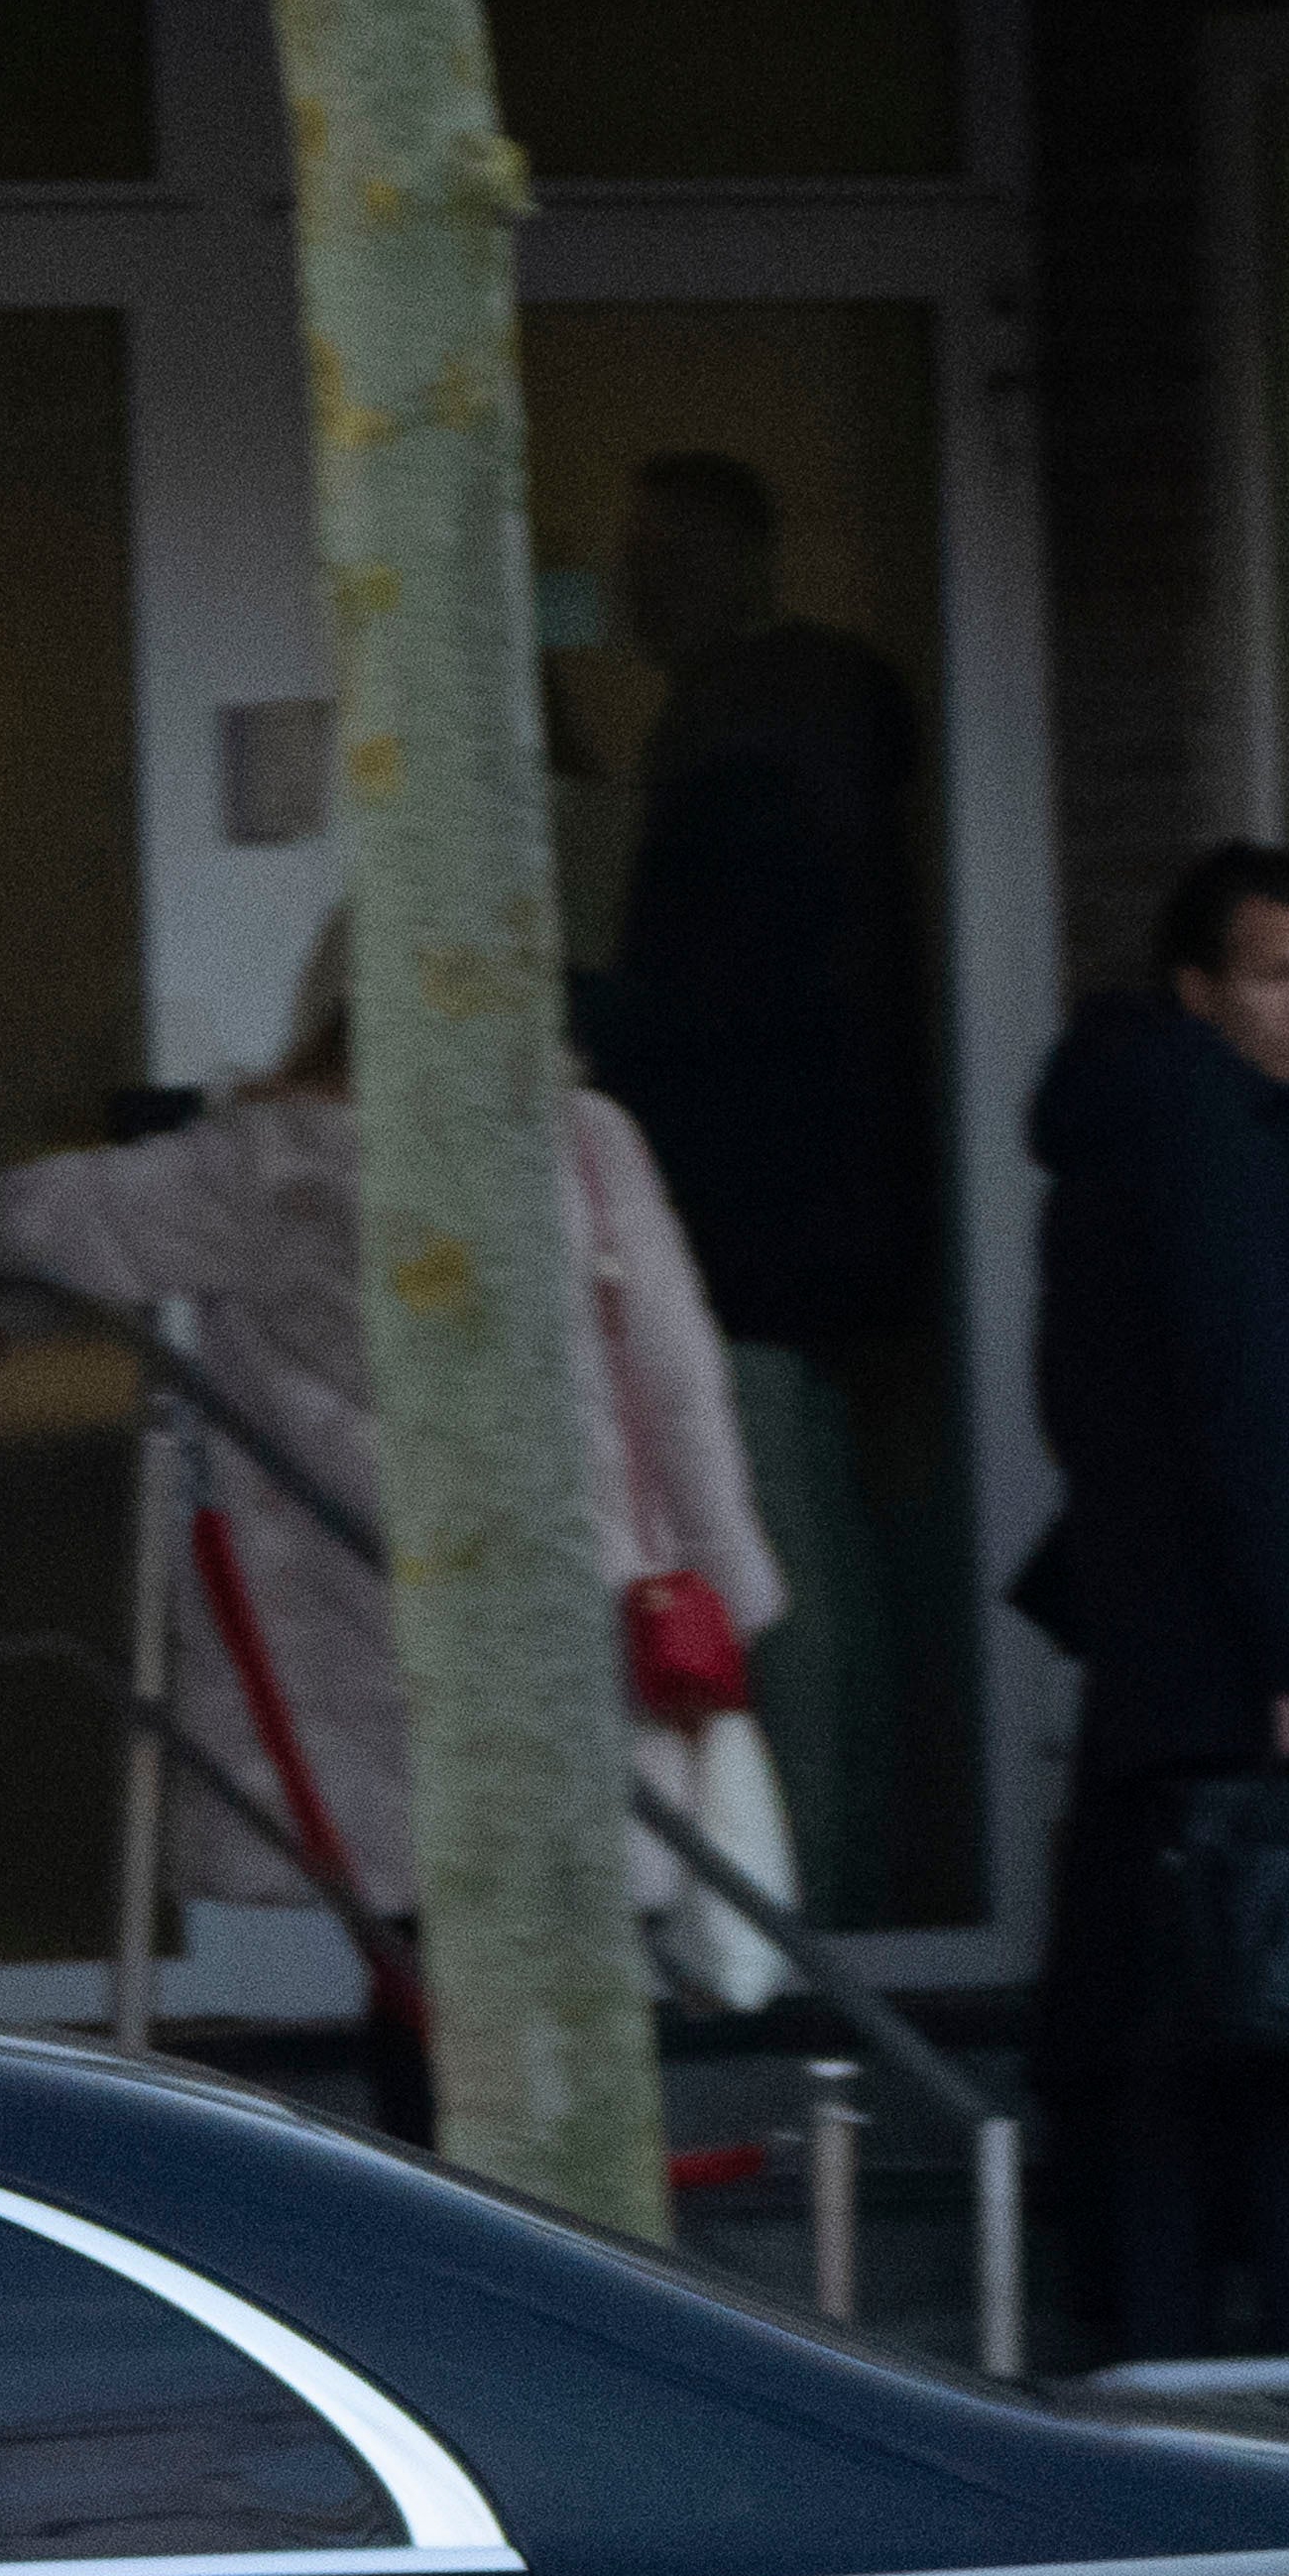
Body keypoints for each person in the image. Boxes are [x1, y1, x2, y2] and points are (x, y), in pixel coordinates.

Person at [0, 916, 791, 2012]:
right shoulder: (583, 1141)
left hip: (383, 1637)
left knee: (431, 1988)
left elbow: (26, 1222)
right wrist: (727, 1592)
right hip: (583, 1617)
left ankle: (434, 2175)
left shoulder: (267, 1163)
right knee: (568, 1992)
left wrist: (1, 1303)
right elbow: (680, 1385)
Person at [1019, 841, 1289, 2356]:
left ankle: (1163, 2366)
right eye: (1278, 974)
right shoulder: (1208, 1136)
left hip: (1166, 1685)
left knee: (1159, 2082)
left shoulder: (1127, 1135)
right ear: (1197, 988)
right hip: (1250, 1697)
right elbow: (1252, 1411)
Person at [570, 451, 943, 1924]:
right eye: (630, 555)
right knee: (811, 1546)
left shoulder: (753, 774)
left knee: (784, 1564)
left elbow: (726, 1011)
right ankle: (821, 1876)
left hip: (764, 1229)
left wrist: (591, 1011)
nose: (636, 585)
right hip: (807, 1220)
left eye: (666, 554)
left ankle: (816, 1894)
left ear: (744, 562)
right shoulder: (786, 752)